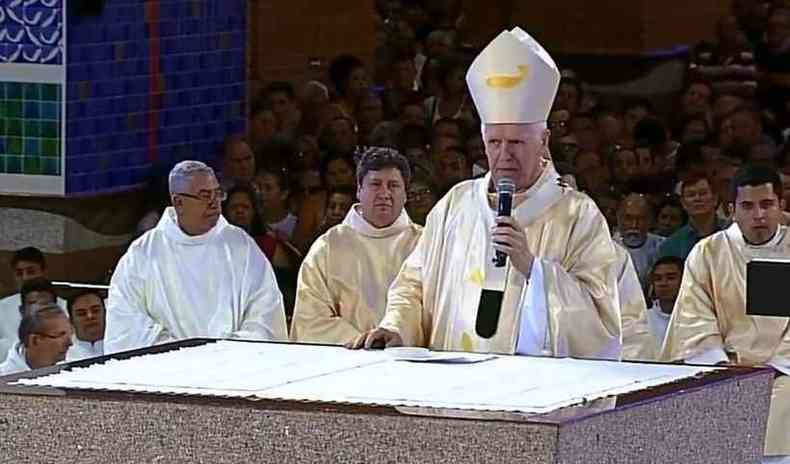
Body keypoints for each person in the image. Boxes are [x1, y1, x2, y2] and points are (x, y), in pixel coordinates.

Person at [349, 27, 621, 357]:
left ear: (544, 141)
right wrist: (395, 328)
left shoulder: (578, 215)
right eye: (495, 142)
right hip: (455, 379)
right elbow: (414, 285)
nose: (505, 155)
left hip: (534, 387)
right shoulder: (456, 204)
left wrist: (534, 269)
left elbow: (600, 319)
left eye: (517, 142)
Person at [660, 165, 790, 464]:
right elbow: (694, 318)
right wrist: (721, 364)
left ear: (781, 206)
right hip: (725, 376)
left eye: (767, 204)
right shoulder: (708, 253)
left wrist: (773, 366)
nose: (758, 214)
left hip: (786, 377)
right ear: (732, 209)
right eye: (748, 206)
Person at [105, 161, 287, 353]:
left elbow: (265, 312)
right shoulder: (143, 255)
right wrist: (180, 354)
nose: (214, 202)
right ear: (178, 202)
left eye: (217, 193)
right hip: (169, 372)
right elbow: (127, 324)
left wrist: (225, 353)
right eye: (204, 195)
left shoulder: (241, 246)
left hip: (232, 367)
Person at [291, 148, 422, 344]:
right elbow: (310, 319)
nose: (384, 193)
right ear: (359, 190)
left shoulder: (425, 243)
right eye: (375, 184)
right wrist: (364, 342)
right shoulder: (328, 247)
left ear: (405, 194)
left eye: (393, 185)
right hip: (347, 360)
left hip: (410, 360)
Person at [0, 248, 66, 363]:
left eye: (30, 272)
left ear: (43, 272)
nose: (25, 278)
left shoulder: (64, 307)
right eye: (19, 273)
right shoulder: (2, 308)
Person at [658, 172, 726, 260]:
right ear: (683, 203)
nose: (697, 198)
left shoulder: (733, 232)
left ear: (715, 199)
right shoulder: (671, 245)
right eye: (691, 195)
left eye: (703, 193)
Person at [0, 303, 72, 376]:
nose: (70, 343)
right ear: (35, 340)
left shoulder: (74, 366)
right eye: (61, 335)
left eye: (70, 333)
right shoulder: (3, 379)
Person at [615, 194, 665, 286]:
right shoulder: (605, 247)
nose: (634, 225)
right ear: (618, 218)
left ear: (650, 220)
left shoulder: (663, 246)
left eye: (641, 219)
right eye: (628, 218)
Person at [646, 256, 683, 349]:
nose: (663, 283)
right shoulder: (643, 320)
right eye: (658, 279)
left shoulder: (698, 319)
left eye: (671, 278)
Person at [66, 290, 106, 361]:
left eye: (95, 310)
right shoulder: (62, 355)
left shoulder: (123, 343)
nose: (90, 316)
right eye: (81, 314)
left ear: (106, 313)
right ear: (71, 321)